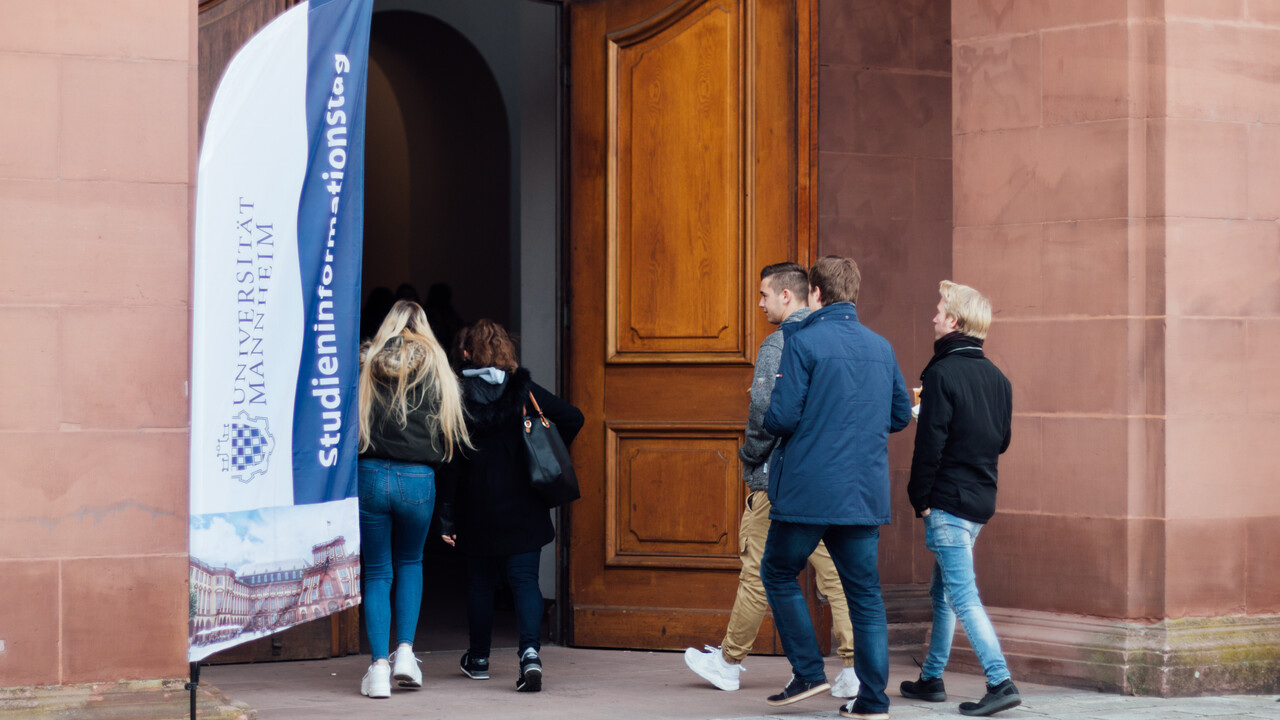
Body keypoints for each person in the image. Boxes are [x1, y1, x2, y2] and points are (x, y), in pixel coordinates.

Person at [683, 262, 859, 698]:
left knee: (758, 570)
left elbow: (764, 412)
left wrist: (750, 457)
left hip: (777, 480)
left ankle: (728, 662)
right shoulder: (838, 341)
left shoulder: (780, 342)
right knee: (834, 573)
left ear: (790, 295)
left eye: (764, 294)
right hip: (826, 479)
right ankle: (855, 667)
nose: (760, 303)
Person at [758, 255, 911, 720]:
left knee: (779, 571)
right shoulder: (881, 347)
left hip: (808, 489)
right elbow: (901, 415)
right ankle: (873, 701)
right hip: (861, 492)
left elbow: (781, 417)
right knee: (864, 595)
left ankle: (807, 671)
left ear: (817, 294)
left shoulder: (803, 342)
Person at [437, 319, 584, 693]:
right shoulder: (524, 391)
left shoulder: (457, 396)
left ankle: (480, 659)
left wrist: (448, 515)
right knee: (524, 581)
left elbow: (450, 462)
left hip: (477, 506)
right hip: (523, 502)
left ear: (467, 353)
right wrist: (541, 442)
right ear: (505, 351)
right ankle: (530, 655)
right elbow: (573, 417)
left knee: (480, 584)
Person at [900, 281, 1019, 717]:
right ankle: (931, 678)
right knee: (943, 591)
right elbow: (1000, 441)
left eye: (939, 311)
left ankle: (999, 679)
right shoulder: (999, 379)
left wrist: (921, 498)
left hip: (948, 501)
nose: (933, 316)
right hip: (980, 499)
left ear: (955, 321)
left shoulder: (941, 374)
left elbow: (930, 445)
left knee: (962, 596)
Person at [356, 300, 471, 698]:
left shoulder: (367, 362)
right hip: (417, 478)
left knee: (377, 572)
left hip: (369, 474)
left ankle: (376, 669)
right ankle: (405, 653)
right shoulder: (438, 364)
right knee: (410, 562)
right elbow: (448, 432)